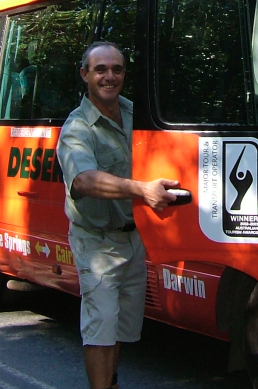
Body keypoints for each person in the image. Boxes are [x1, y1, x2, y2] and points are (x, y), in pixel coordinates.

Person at [56, 41, 179, 389]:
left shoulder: (134, 112)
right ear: (85, 75)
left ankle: (109, 382)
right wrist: (141, 190)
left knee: (122, 326)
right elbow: (84, 180)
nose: (110, 76)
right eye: (100, 70)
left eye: (117, 69)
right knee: (101, 325)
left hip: (133, 237)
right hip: (97, 242)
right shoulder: (77, 127)